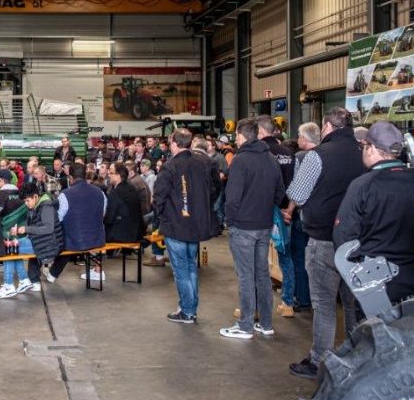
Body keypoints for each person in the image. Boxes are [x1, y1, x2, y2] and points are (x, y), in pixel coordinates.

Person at [285, 107, 366, 380]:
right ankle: (358, 356)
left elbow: (298, 193)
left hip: (324, 237)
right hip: (357, 239)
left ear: (327, 126)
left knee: (324, 302)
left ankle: (319, 359)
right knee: (352, 301)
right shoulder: (363, 152)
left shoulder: (317, 155)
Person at [333, 121, 414, 318]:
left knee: (375, 334)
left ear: (371, 148)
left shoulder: (362, 186)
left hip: (375, 285)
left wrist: (356, 272)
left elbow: (343, 236)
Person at [219, 119, 284, 339]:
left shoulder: (240, 160)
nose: (235, 140)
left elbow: (232, 197)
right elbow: (280, 192)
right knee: (262, 275)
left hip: (243, 226)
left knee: (246, 276)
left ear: (241, 135)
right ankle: (265, 323)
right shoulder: (271, 159)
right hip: (264, 225)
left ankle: (245, 325)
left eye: (236, 136)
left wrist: (230, 220)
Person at [154, 129, 214, 324]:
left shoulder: (170, 165)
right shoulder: (203, 163)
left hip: (176, 225)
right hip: (195, 224)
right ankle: (190, 308)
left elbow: (159, 196)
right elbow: (213, 189)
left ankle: (187, 311)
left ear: (174, 143)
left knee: (181, 269)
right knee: (190, 267)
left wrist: (161, 216)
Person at [42, 163, 106, 283]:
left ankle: (52, 273)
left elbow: (58, 219)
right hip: (98, 239)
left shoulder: (65, 194)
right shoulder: (100, 192)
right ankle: (53, 273)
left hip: (75, 241)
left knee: (59, 235)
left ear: (70, 177)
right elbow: (103, 213)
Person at [278, 122, 317, 317]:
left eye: (301, 136)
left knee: (298, 257)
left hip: (302, 215)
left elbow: (296, 189)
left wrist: (289, 209)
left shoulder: (301, 158)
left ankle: (302, 298)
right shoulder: (325, 156)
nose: (299, 139)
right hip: (321, 217)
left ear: (305, 138)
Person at [14, 181, 63, 293]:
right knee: (14, 246)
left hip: (50, 244)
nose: (26, 204)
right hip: (43, 240)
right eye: (24, 201)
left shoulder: (46, 207)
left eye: (27, 200)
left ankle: (23, 280)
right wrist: (23, 230)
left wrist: (26, 229)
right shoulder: (36, 205)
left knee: (12, 249)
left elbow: (48, 228)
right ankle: (33, 281)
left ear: (36, 196)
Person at [105, 163, 144, 243]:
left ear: (118, 175)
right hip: (137, 232)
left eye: (111, 173)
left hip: (124, 235)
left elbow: (109, 218)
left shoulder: (116, 192)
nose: (108, 175)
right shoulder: (131, 187)